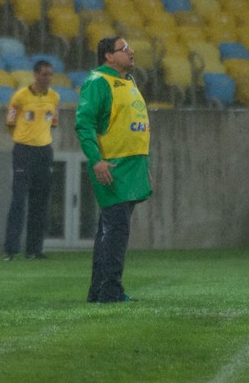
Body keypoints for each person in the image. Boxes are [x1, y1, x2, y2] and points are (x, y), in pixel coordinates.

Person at [75, 36, 152, 303]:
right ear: (108, 56)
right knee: (116, 229)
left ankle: (99, 291)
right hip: (113, 166)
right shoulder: (98, 81)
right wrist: (96, 160)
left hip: (131, 166)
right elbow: (83, 123)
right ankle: (110, 291)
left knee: (110, 230)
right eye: (124, 49)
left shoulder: (127, 81)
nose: (131, 52)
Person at [3, 60, 60, 261]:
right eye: (44, 74)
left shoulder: (54, 97)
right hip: (23, 151)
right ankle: (11, 249)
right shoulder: (20, 97)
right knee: (18, 200)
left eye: (50, 75)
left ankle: (34, 249)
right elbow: (9, 123)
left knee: (41, 202)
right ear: (35, 75)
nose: (47, 78)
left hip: (44, 152)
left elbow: (53, 122)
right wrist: (24, 139)